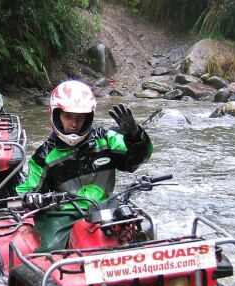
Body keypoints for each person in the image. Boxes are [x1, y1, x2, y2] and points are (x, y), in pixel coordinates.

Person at [16, 80, 153, 251]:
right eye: (68, 117)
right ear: (55, 114)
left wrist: (135, 136)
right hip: (63, 214)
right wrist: (32, 197)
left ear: (88, 118)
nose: (74, 124)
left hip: (106, 206)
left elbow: (136, 159)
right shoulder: (43, 156)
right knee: (51, 248)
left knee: (140, 230)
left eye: (80, 118)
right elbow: (29, 189)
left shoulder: (107, 139)